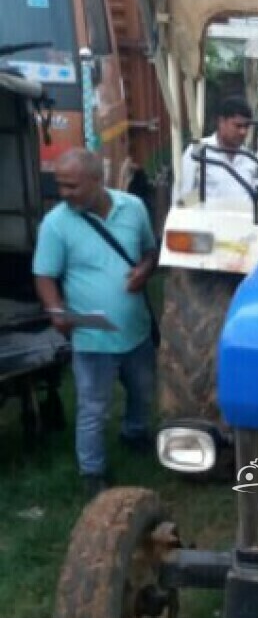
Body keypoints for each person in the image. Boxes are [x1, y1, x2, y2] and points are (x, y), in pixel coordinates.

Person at [33, 148, 158, 499]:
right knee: (92, 407)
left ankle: (134, 434)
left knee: (143, 392)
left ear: (97, 181)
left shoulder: (133, 208)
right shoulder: (56, 223)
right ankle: (93, 472)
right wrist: (56, 309)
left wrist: (145, 270)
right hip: (92, 336)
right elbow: (44, 275)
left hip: (136, 331)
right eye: (60, 185)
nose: (64, 193)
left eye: (72, 185)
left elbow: (152, 250)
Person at [179, 94, 258, 200]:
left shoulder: (248, 157)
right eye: (238, 126)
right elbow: (183, 196)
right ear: (221, 122)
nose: (243, 132)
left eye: (246, 126)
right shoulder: (199, 151)